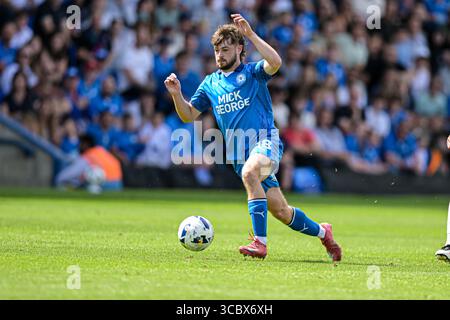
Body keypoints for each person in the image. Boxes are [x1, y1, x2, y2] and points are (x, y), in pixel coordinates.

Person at [164, 14, 342, 262]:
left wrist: (250, 34)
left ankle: (260, 243)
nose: (220, 55)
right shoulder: (210, 84)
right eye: (217, 50)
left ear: (239, 49)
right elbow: (188, 115)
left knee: (250, 173)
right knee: (281, 211)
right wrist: (176, 94)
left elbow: (276, 62)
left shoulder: (252, 73)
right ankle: (324, 232)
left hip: (266, 143)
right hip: (240, 154)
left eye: (225, 49)